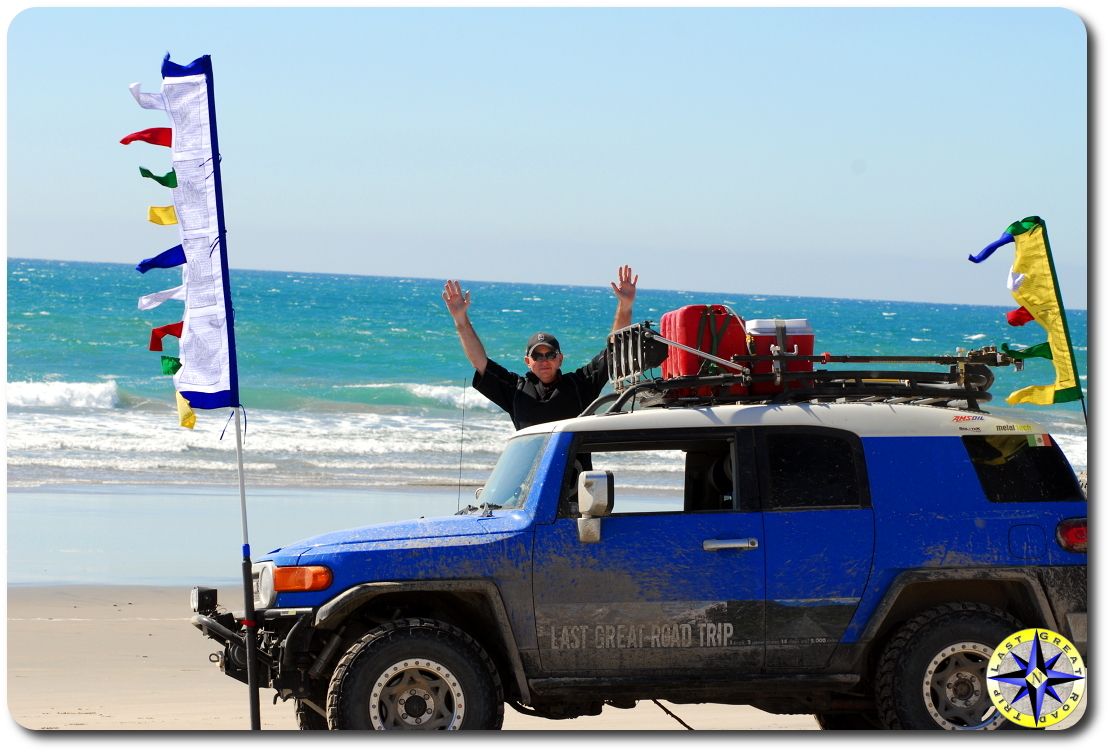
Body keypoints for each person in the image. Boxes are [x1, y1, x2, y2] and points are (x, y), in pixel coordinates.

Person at [442, 266, 638, 430]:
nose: (544, 361)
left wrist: (625, 305)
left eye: (550, 355)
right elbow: (479, 362)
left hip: (572, 473)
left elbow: (615, 350)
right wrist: (460, 319)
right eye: (537, 356)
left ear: (560, 359)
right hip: (532, 473)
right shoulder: (515, 389)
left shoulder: (581, 384)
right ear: (528, 362)